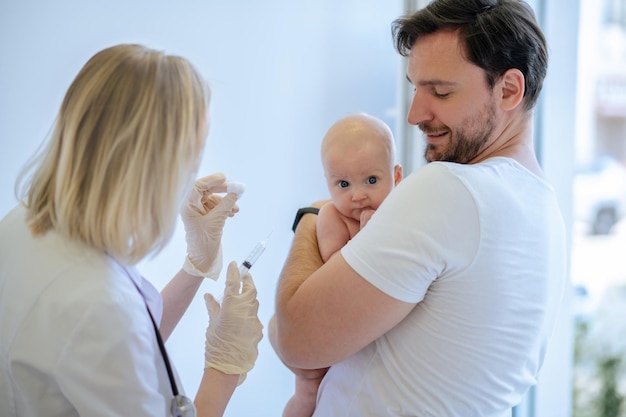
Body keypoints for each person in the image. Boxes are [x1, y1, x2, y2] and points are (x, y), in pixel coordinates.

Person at [270, 1, 567, 416]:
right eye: (415, 88)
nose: (414, 115)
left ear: (509, 90)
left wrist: (313, 217)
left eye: (441, 91)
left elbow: (295, 339)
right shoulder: (544, 209)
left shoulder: (451, 189)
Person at [0, 44, 263, 417]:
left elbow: (123, 350)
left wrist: (196, 266)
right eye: (194, 152)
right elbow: (112, 332)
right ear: (158, 164)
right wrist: (224, 368)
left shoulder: (23, 224)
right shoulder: (97, 306)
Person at [281, 113, 402, 417]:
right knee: (309, 392)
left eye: (371, 180)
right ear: (328, 183)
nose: (357, 195)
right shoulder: (331, 217)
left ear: (396, 177)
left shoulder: (399, 211)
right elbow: (338, 269)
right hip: (326, 329)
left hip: (365, 334)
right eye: (343, 184)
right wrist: (369, 236)